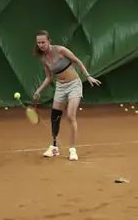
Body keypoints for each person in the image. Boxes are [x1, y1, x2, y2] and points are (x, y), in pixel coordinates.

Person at [33, 30, 101, 161]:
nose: (41, 45)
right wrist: (39, 90)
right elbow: (49, 77)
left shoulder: (60, 50)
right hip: (60, 87)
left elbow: (77, 61)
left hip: (74, 85)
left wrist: (88, 76)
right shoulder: (43, 58)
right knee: (55, 116)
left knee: (70, 116)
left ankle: (72, 149)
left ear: (49, 41)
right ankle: (54, 148)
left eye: (43, 42)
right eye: (38, 42)